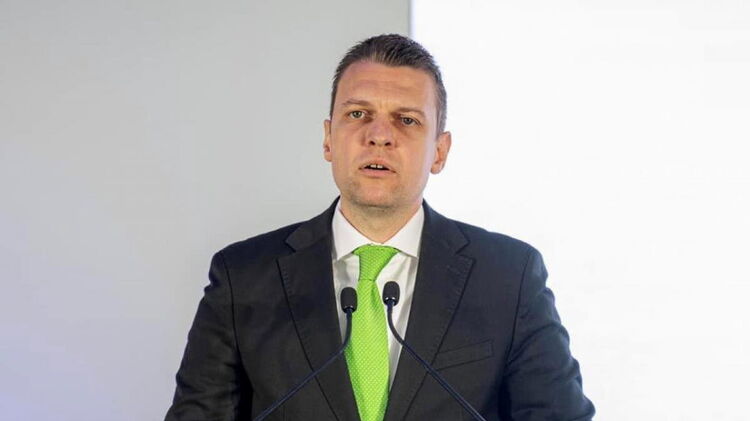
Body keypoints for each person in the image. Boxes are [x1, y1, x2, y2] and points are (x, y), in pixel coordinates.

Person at [165, 34, 595, 421]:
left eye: (407, 120)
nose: (379, 136)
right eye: (358, 114)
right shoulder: (242, 277)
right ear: (328, 138)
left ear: (439, 152)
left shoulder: (509, 277)